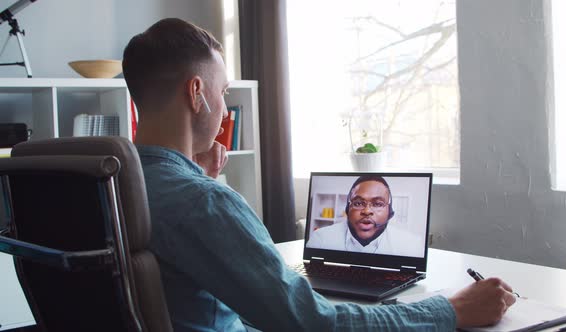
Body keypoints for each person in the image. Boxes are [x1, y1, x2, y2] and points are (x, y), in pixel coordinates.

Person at [123, 18, 516, 331]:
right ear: (196, 93)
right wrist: (449, 310)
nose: (226, 109)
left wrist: (199, 177)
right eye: (222, 91)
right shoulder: (203, 204)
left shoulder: (111, 185)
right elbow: (314, 323)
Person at [307, 175, 423, 256]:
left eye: (378, 204)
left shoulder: (411, 246)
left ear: (390, 212)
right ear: (348, 209)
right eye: (358, 203)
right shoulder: (320, 240)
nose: (367, 211)